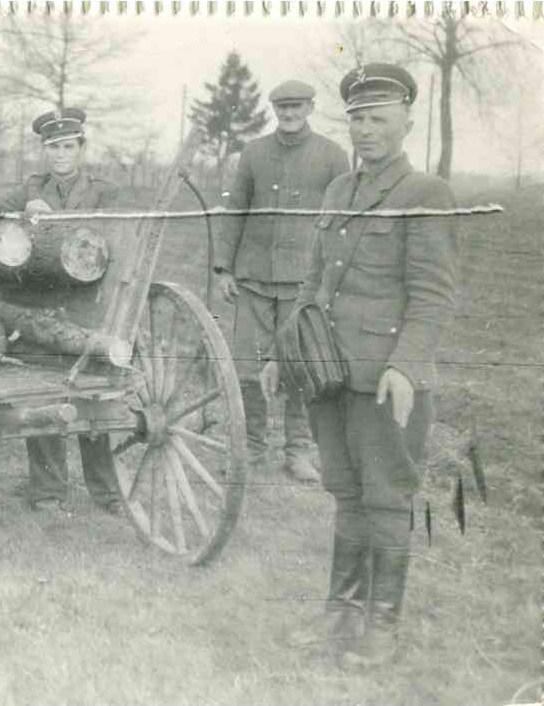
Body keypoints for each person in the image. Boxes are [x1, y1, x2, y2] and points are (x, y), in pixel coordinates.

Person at [261, 64, 458, 667]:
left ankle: (382, 627)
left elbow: (433, 294)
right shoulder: (339, 192)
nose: (367, 130)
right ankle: (341, 614)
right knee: (346, 492)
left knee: (388, 498)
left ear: (405, 122)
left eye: (379, 118)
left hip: (386, 380)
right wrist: (281, 351)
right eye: (358, 119)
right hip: (329, 374)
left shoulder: (426, 194)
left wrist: (405, 366)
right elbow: (313, 282)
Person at [0, 107, 123, 515]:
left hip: (87, 308)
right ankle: (48, 492)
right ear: (44, 151)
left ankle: (106, 493)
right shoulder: (32, 187)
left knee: (93, 402)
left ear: (81, 148)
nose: (60, 155)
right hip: (41, 309)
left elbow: (113, 238)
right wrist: (6, 217)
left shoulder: (104, 191)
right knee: (42, 398)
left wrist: (62, 224)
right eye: (52, 147)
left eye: (68, 147)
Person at [213, 80, 350, 483]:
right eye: (282, 107)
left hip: (303, 284)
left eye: (296, 107)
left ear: (310, 107)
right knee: (248, 367)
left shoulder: (332, 155)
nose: (289, 114)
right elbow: (235, 209)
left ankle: (298, 451)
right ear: (274, 110)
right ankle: (252, 448)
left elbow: (343, 222)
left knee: (300, 367)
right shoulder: (254, 153)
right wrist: (224, 268)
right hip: (253, 279)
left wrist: (332, 279)